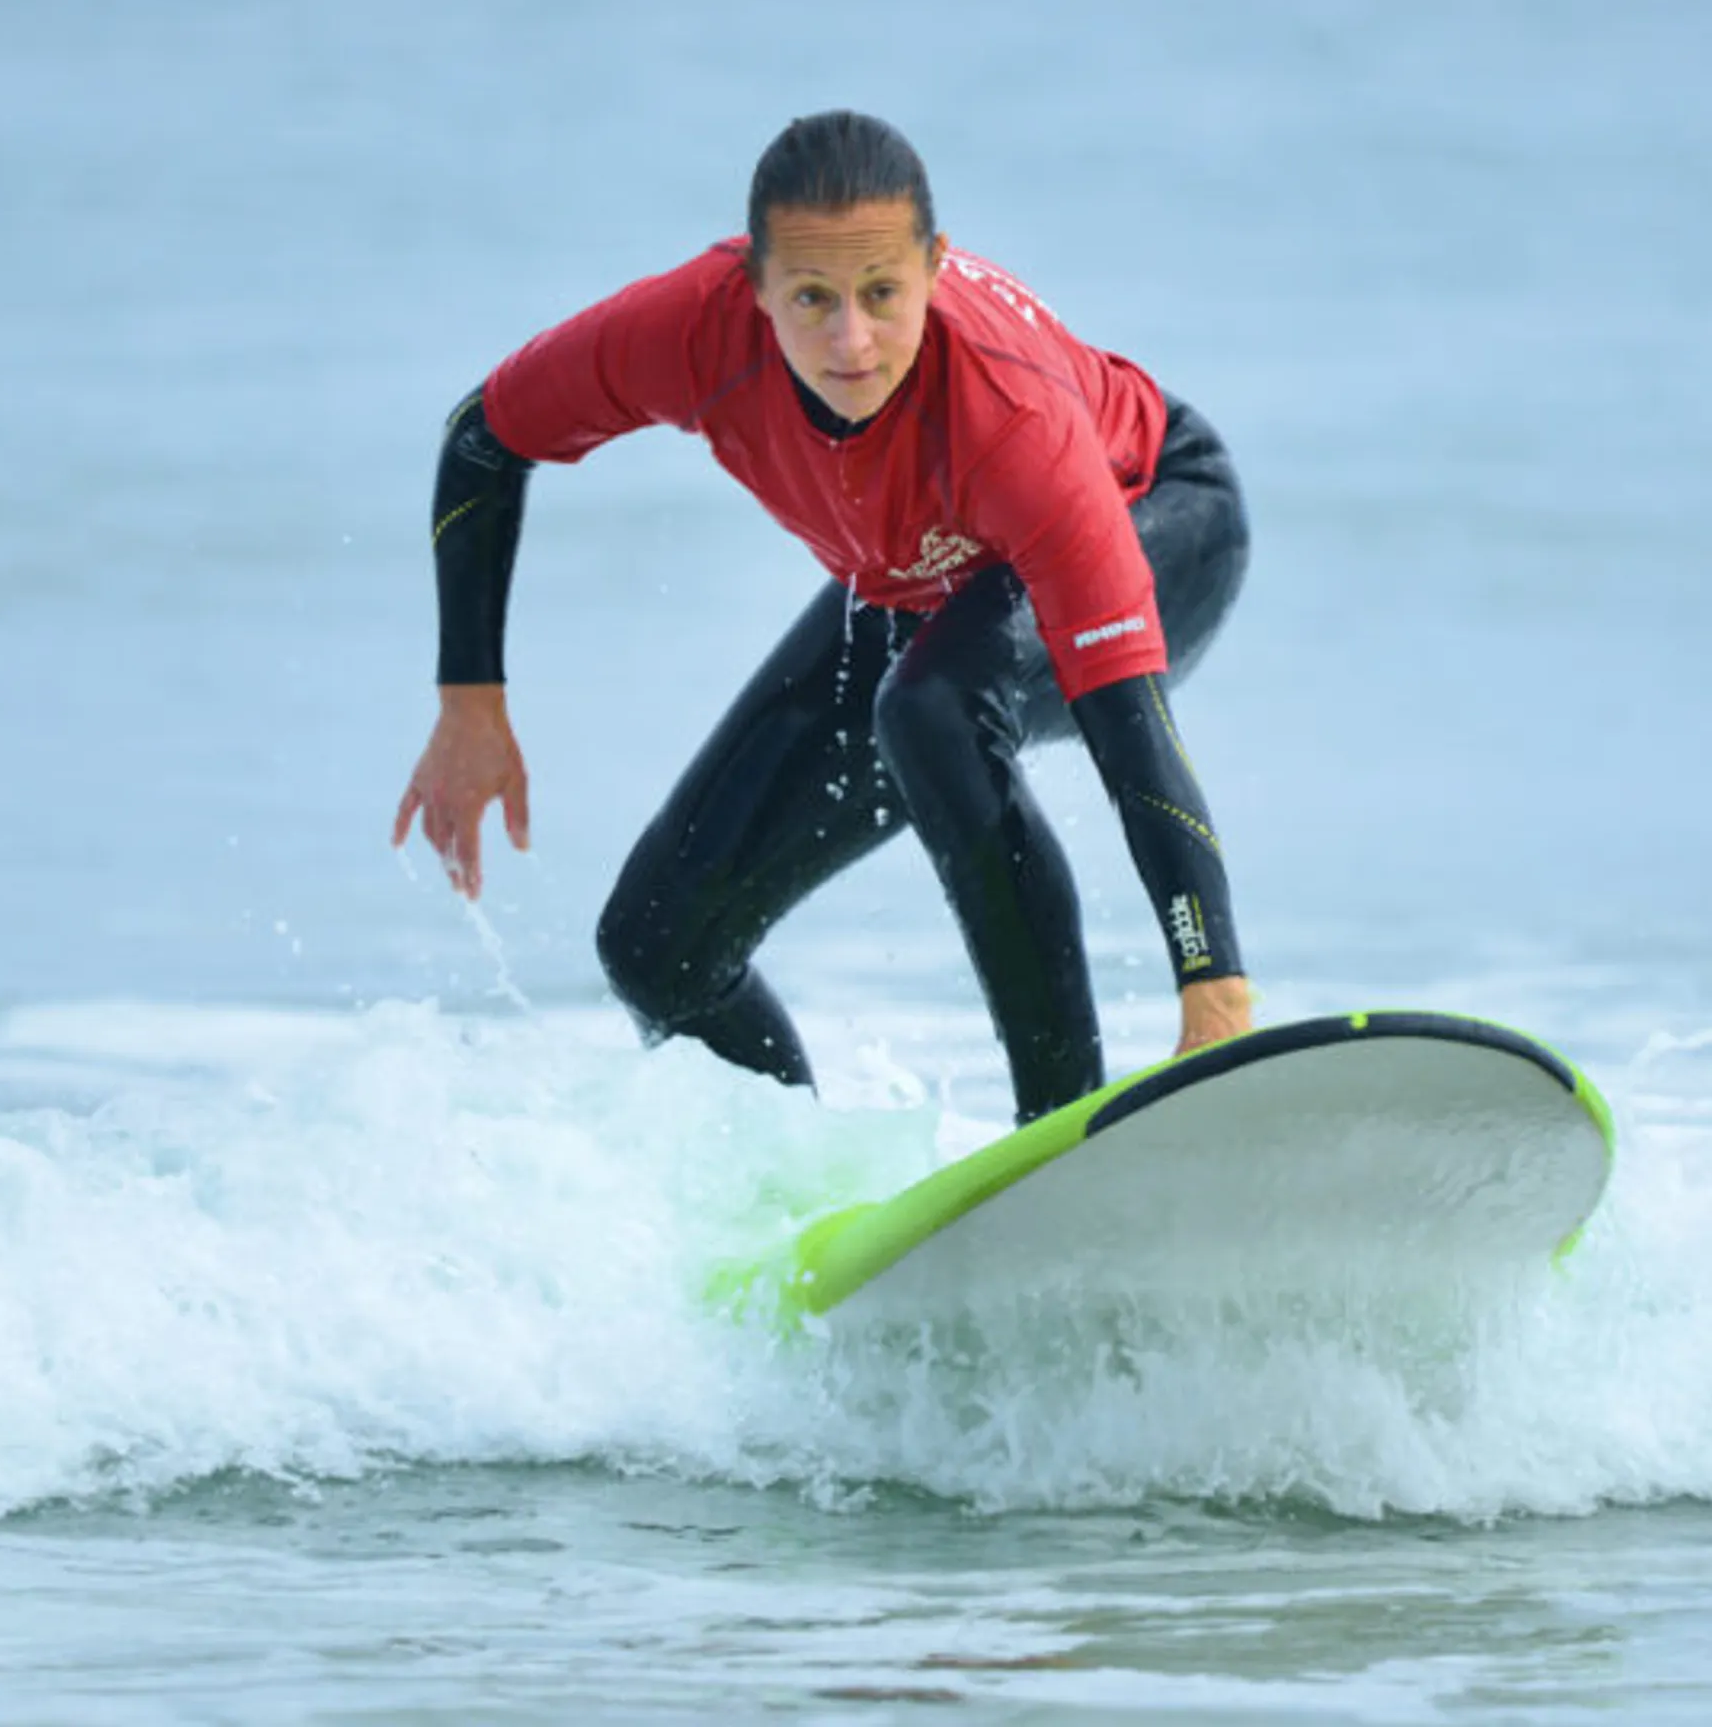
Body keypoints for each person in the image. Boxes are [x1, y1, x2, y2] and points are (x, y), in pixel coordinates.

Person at [393, 110, 1251, 1123]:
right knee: (657, 946)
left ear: (933, 267)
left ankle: (1058, 1133)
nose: (850, 340)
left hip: (1158, 508)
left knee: (933, 705)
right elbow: (483, 438)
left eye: (882, 294)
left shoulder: (1011, 420)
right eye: (810, 298)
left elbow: (1130, 729)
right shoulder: (684, 330)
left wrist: (1212, 992)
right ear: (753, 285)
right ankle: (793, 1187)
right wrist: (469, 703)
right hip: (922, 581)